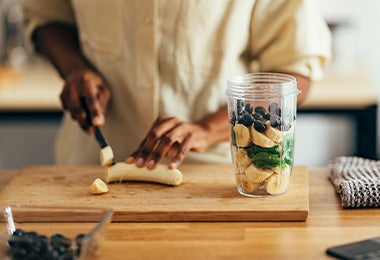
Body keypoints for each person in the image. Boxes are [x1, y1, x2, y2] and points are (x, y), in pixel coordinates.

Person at [22, 0, 331, 169]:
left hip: (214, 175)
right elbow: (47, 16)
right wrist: (75, 69)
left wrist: (207, 129)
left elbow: (294, 72)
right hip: (90, 165)